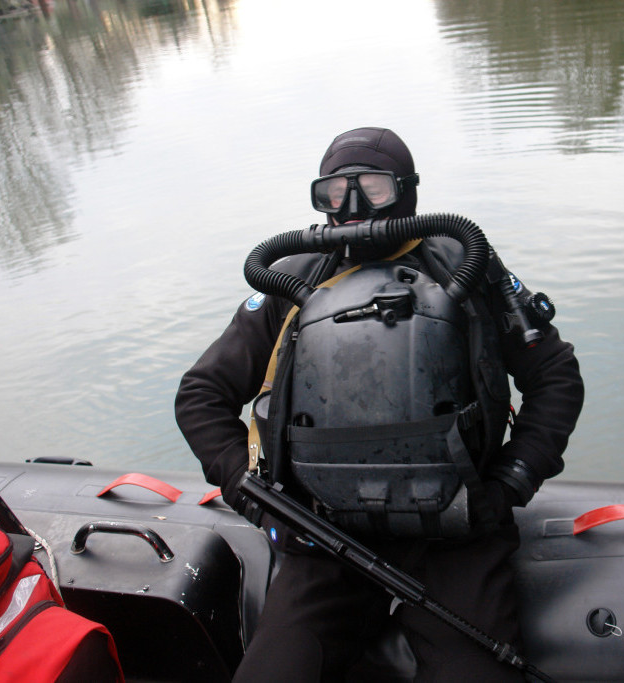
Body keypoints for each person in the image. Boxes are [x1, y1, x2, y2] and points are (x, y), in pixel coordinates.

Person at [175, 127, 584, 682]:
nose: (353, 208)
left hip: (457, 530)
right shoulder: (291, 278)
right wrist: (262, 506)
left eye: (372, 188)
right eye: (334, 194)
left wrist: (512, 480)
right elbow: (201, 395)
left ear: (407, 192)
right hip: (325, 535)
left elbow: (554, 374)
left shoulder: (464, 266)